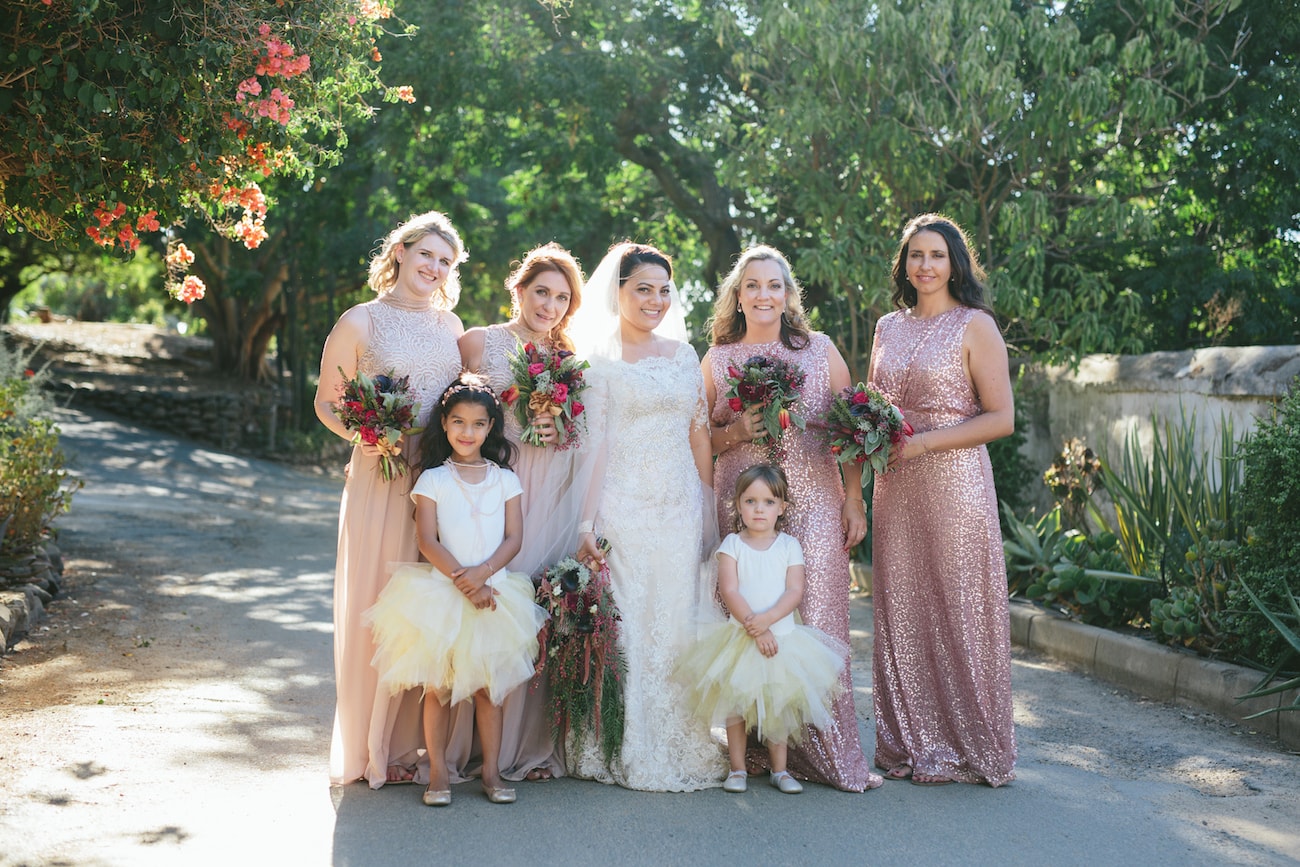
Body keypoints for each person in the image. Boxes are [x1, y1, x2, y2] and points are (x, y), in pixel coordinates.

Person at [702, 245, 881, 791]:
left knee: (820, 625)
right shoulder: (716, 358)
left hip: (817, 502)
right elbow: (697, 439)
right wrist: (738, 431)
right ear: (737, 295)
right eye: (751, 285)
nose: (763, 295)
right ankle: (755, 751)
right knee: (750, 621)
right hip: (745, 508)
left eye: (773, 285)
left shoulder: (820, 350)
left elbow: (850, 428)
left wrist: (854, 499)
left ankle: (829, 754)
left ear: (788, 294)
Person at [314, 211, 467, 788]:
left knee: (427, 608)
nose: (434, 268)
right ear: (400, 251)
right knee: (378, 603)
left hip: (439, 479)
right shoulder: (360, 321)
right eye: (426, 254)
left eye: (445, 262)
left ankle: (416, 747)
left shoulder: (453, 327)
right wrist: (368, 437)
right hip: (381, 475)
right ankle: (371, 746)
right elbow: (327, 402)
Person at [568, 241, 728, 791]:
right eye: (643, 289)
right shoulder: (599, 362)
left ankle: (680, 732)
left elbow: (698, 432)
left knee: (674, 617)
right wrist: (587, 523)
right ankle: (621, 739)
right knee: (631, 623)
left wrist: (708, 505)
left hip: (679, 504)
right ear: (618, 293)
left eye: (664, 290)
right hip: (624, 504)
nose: (656, 300)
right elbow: (595, 447)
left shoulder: (685, 355)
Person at [868, 213, 1017, 787]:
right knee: (901, 607)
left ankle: (970, 741)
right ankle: (908, 739)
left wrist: (924, 442)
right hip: (896, 483)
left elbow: (1001, 418)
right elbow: (872, 408)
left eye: (936, 254)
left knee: (958, 604)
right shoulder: (887, 326)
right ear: (903, 265)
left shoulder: (975, 325)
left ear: (955, 261)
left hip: (954, 478)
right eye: (914, 255)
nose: (924, 266)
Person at [365, 376, 549, 806]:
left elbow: (514, 539)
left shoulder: (505, 479)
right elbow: (427, 540)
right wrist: (465, 583)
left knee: (489, 690)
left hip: (495, 595)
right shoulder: (432, 479)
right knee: (438, 689)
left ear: (491, 429)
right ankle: (439, 776)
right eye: (459, 423)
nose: (468, 433)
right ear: (444, 425)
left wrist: (482, 576)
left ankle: (491, 772)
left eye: (478, 424)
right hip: (442, 596)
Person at [453, 242, 590, 783]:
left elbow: (579, 440)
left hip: (546, 498)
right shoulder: (479, 342)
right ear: (519, 289)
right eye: (542, 292)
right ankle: (469, 747)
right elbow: (452, 409)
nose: (549, 306)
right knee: (480, 611)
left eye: (561, 298)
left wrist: (560, 430)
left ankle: (525, 748)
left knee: (531, 615)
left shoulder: (570, 361)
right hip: (487, 493)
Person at [676, 464, 849, 796]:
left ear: (782, 507)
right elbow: (730, 591)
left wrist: (768, 621)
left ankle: (780, 770)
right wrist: (755, 628)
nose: (759, 509)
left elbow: (794, 592)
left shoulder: (789, 546)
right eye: (751, 501)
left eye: (768, 502)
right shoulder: (732, 544)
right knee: (735, 707)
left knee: (779, 706)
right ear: (739, 506)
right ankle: (737, 768)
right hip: (739, 638)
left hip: (782, 639)